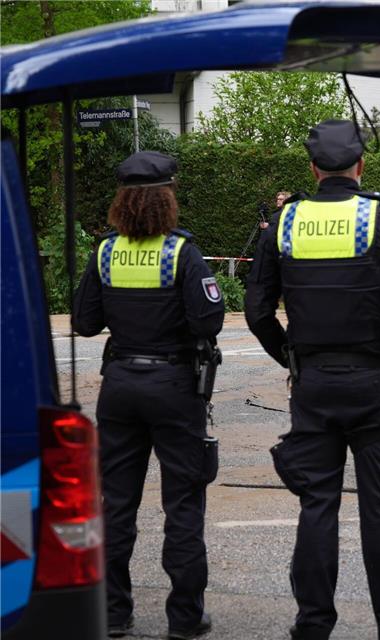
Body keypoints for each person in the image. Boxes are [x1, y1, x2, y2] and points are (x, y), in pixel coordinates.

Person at [245, 120, 380, 640]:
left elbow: (256, 308)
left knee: (318, 505)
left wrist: (288, 357)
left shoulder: (285, 224)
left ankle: (312, 623)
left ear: (313, 170)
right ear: (361, 166)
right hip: (376, 381)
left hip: (313, 384)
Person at [73, 151, 225, 640]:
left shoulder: (105, 252)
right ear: (167, 199)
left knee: (115, 503)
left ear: (121, 202)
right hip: (174, 387)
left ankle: (113, 614)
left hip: (119, 387)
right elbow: (209, 321)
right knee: (182, 503)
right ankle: (184, 618)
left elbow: (84, 322)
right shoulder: (181, 253)